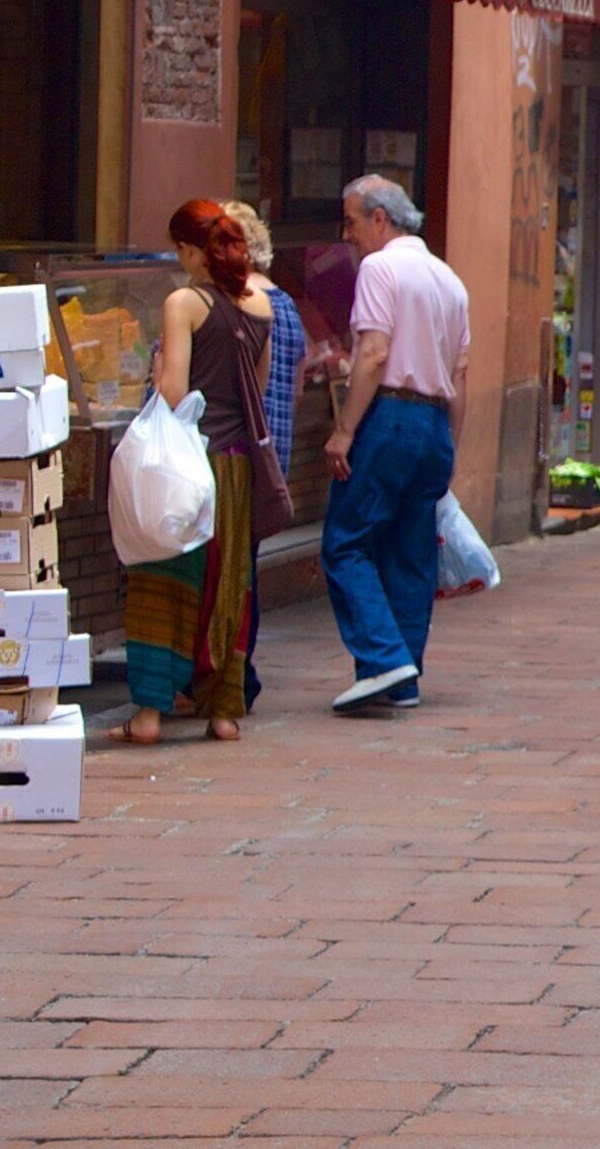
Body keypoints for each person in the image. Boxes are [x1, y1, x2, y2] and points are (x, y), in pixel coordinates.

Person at [119, 202, 289, 745]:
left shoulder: (184, 302)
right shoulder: (261, 305)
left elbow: (173, 392)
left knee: (165, 577)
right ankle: (223, 712)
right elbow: (256, 392)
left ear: (192, 251)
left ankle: (148, 715)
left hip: (188, 462)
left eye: (179, 248)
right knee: (227, 583)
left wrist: (154, 370)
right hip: (236, 466)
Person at [322, 174, 469, 713]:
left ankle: (384, 659)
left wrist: (344, 430)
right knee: (410, 552)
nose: (349, 235)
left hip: (390, 417)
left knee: (345, 541)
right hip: (432, 424)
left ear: (379, 218)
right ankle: (403, 677)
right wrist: (449, 448)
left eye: (352, 221)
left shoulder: (380, 268)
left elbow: (374, 353)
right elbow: (460, 377)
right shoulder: (449, 280)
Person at [225, 201, 307, 485]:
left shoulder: (230, 301)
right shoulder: (287, 305)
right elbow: (297, 389)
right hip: (273, 458)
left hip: (230, 458)